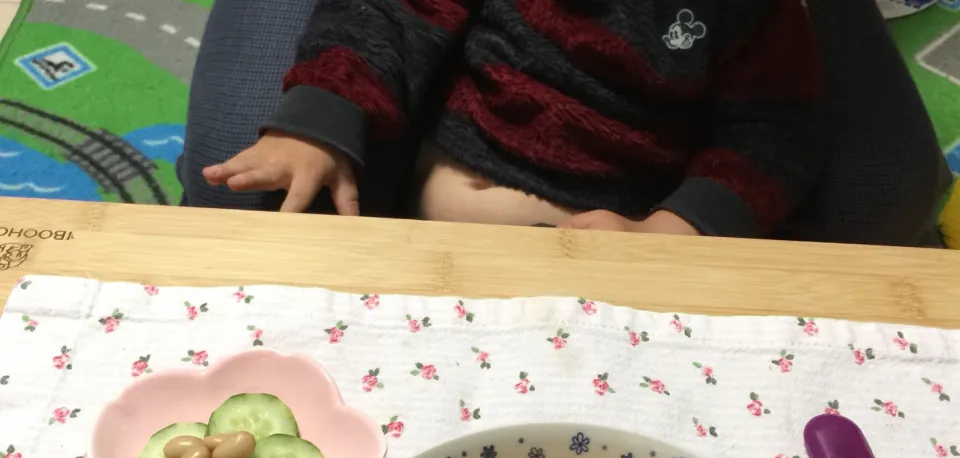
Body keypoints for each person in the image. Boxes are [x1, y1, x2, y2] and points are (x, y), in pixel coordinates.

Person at [179, 0, 950, 245]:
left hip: (624, 261)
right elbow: (390, 12)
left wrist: (680, 230)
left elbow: (776, 126)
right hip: (445, 251)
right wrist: (318, 116)